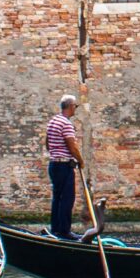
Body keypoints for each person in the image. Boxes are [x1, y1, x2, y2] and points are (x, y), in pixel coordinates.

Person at [45, 95, 84, 239]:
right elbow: (72, 146)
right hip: (64, 166)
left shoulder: (53, 121)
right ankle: (65, 231)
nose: (76, 109)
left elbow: (47, 143)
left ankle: (55, 229)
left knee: (57, 198)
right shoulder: (66, 124)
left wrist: (56, 153)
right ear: (71, 106)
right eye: (75, 106)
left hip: (54, 164)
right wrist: (80, 160)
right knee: (67, 198)